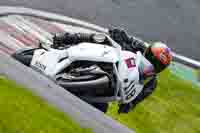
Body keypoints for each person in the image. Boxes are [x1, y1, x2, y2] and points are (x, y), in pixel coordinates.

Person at [53, 28, 172, 113]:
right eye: (153, 59)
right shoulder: (140, 46)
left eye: (158, 65)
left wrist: (129, 105)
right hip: (112, 58)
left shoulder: (151, 83)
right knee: (101, 38)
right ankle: (65, 39)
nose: (153, 65)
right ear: (148, 52)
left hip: (116, 85)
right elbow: (124, 36)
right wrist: (120, 34)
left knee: (101, 109)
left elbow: (137, 99)